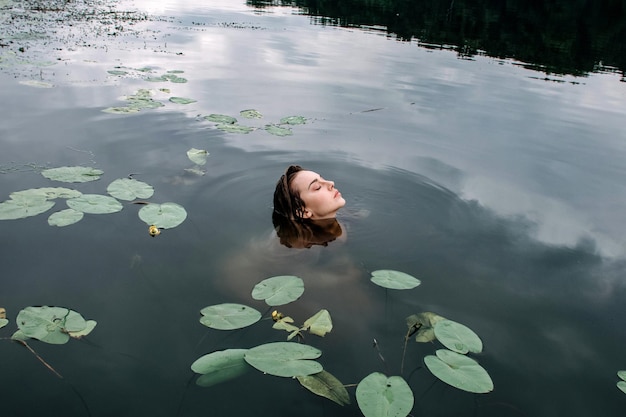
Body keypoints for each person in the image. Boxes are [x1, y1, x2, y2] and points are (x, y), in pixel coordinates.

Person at [273, 165, 347, 248]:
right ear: (304, 211)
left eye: (323, 179)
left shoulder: (346, 217)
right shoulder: (303, 249)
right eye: (317, 187)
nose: (331, 183)